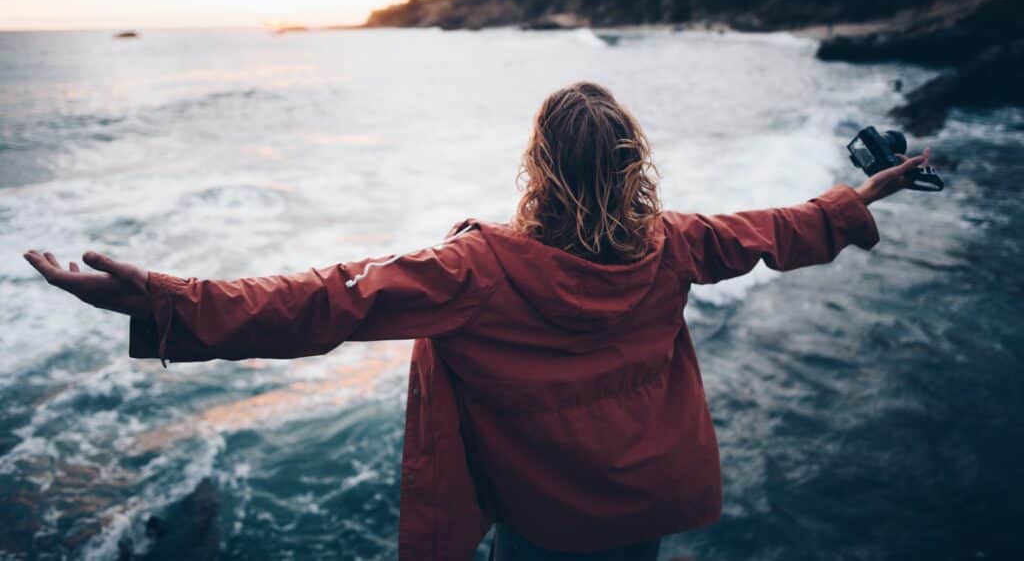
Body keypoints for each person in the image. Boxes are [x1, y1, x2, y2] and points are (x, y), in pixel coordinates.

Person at [24, 82, 931, 561]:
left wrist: (163, 300)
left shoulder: (476, 270)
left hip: (549, 519)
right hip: (649, 497)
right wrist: (861, 196)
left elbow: (321, 301)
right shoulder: (673, 245)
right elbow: (775, 230)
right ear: (631, 168)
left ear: (538, 167)